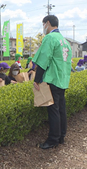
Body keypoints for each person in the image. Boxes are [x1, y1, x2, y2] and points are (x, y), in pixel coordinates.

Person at [33, 15, 72, 149]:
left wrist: (36, 80)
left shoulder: (50, 38)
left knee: (53, 110)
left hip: (53, 79)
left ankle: (53, 140)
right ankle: (61, 136)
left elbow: (43, 60)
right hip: (63, 79)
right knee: (61, 109)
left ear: (47, 23)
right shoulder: (64, 40)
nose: (43, 27)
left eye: (43, 24)